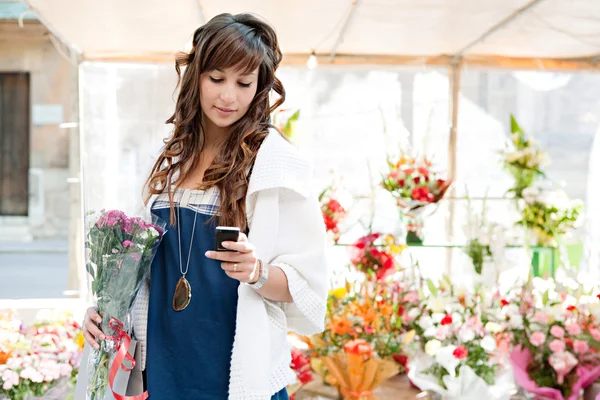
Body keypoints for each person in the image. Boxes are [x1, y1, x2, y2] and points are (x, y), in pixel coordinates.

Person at [81, 12, 328, 400]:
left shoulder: (275, 163)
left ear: (260, 88)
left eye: (243, 83)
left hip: (232, 364)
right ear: (195, 75)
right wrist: (105, 311)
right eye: (216, 78)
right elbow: (133, 263)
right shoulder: (166, 158)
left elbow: (308, 286)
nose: (228, 96)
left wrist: (257, 271)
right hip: (162, 361)